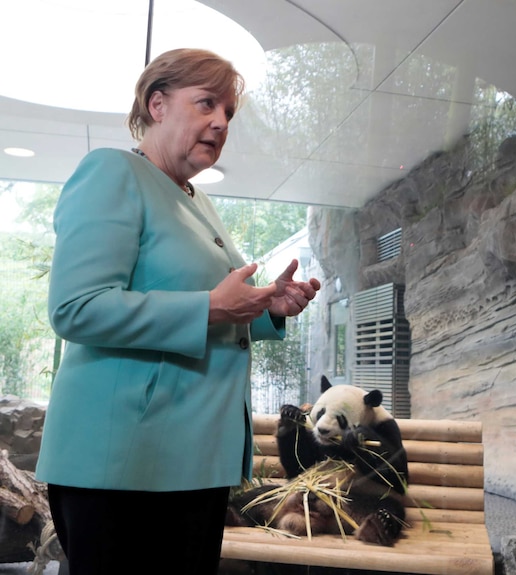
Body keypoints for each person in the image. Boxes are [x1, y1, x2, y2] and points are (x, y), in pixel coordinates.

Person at [35, 48, 321, 575]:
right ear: (157, 104)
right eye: (207, 103)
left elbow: (212, 311)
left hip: (194, 459)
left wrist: (265, 308)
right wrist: (212, 307)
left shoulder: (197, 200)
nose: (221, 121)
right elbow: (77, 308)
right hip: (123, 462)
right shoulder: (111, 172)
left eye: (229, 112)